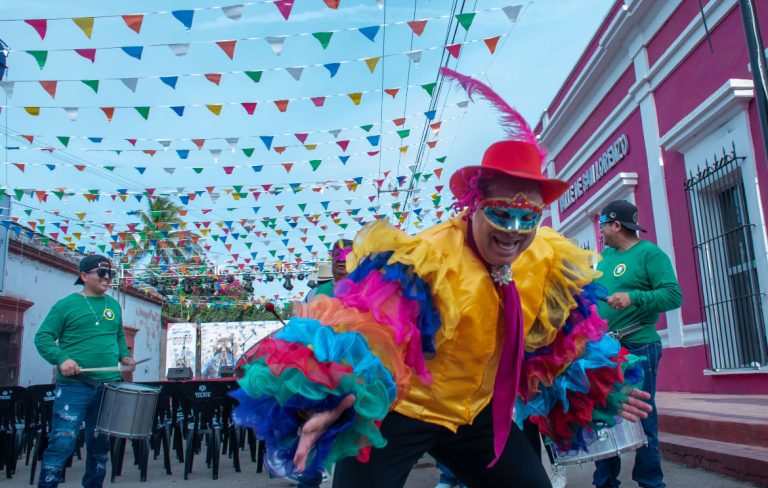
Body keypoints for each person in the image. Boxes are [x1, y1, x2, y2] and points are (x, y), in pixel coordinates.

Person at [232, 69, 652, 488]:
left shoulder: (546, 258)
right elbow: (371, 334)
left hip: (477, 415)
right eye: (502, 213)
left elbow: (562, 337)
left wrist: (602, 385)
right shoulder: (429, 259)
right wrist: (334, 396)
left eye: (529, 217)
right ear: (475, 205)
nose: (514, 230)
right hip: (402, 411)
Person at [593, 200, 682, 488]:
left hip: (640, 346)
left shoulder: (650, 254)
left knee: (642, 415)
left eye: (603, 224)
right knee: (605, 415)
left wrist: (634, 297)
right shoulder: (605, 257)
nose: (600, 231)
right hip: (606, 350)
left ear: (616, 224)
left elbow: (673, 296)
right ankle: (605, 482)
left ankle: (650, 482)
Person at [34, 255, 136, 488]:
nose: (108, 278)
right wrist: (61, 358)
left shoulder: (113, 306)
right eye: (101, 273)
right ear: (83, 276)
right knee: (62, 443)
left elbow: (118, 336)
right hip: (74, 386)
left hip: (109, 386)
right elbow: (43, 337)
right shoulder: (65, 305)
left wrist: (124, 355)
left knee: (100, 446)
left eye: (110, 273)